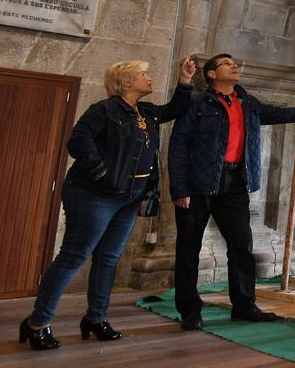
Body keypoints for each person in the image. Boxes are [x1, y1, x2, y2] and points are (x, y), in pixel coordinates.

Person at [20, 57, 197, 351]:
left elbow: (177, 108)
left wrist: (185, 80)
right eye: (143, 74)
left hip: (129, 199)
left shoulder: (146, 112)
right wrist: (103, 173)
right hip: (92, 194)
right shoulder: (104, 110)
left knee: (109, 258)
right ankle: (38, 322)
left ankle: (96, 318)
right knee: (74, 256)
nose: (149, 79)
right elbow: (78, 141)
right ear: (126, 81)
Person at [169, 53, 295, 330]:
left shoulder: (248, 103)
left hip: (234, 182)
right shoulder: (196, 102)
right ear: (211, 74)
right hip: (198, 184)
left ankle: (244, 305)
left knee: (242, 246)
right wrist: (179, 187)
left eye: (235, 64)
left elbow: (281, 114)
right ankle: (189, 310)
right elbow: (178, 146)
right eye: (227, 64)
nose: (234, 67)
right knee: (188, 248)